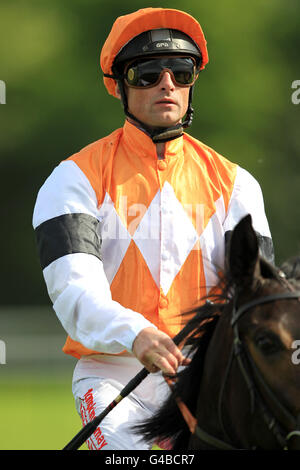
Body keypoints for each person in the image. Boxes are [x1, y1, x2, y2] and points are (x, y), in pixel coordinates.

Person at [32, 7, 274, 450]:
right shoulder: (72, 179)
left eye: (181, 73)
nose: (167, 84)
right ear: (120, 85)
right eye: (147, 74)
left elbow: (253, 296)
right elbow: (74, 293)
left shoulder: (238, 185)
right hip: (112, 376)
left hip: (207, 382)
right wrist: (135, 333)